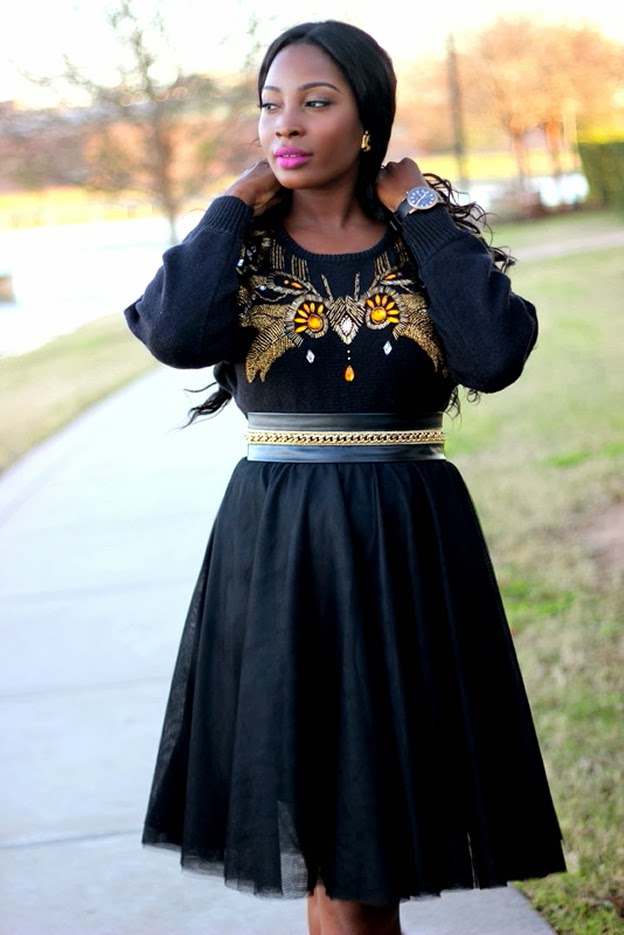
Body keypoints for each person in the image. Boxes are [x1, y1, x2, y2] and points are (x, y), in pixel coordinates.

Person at [124, 20, 566, 935]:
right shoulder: (244, 249)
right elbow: (173, 332)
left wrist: (424, 212)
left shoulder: (423, 239)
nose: (285, 124)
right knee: (334, 839)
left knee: (379, 837)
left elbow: (492, 355)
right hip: (285, 550)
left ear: (368, 120)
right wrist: (234, 202)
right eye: (270, 106)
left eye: (316, 103)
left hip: (409, 546)